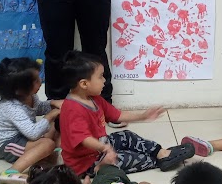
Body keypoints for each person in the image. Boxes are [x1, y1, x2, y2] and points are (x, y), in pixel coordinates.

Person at [59, 51, 193, 177]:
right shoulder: (72, 109)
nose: (104, 80)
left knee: (127, 135)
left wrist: (143, 116)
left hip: (99, 147)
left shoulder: (94, 98)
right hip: (86, 164)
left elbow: (117, 115)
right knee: (124, 158)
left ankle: (161, 153)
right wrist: (105, 148)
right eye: (100, 76)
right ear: (84, 84)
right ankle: (157, 161)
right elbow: (84, 139)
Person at [0, 57, 61, 184]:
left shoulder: (30, 96)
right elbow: (33, 134)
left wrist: (53, 103)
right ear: (19, 89)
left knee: (54, 125)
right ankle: (11, 171)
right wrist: (50, 115)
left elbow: (38, 108)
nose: (40, 81)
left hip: (26, 136)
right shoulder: (11, 107)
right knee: (48, 143)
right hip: (10, 143)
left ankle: (50, 156)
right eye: (36, 80)